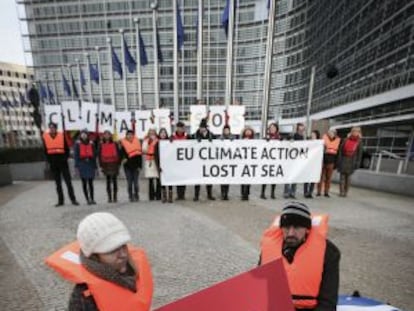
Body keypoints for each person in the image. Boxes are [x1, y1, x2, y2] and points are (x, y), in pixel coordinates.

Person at [45, 212, 153, 311]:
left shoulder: (133, 269)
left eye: (123, 245)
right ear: (94, 256)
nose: (123, 254)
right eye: (111, 250)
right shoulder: (84, 297)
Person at [259, 202, 340, 311]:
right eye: (286, 227)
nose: (291, 233)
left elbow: (328, 303)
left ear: (307, 229)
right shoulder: (269, 249)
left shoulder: (329, 252)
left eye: (297, 227)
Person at [42, 122, 79, 207]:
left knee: (68, 182)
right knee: (58, 184)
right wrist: (49, 161)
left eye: (53, 127)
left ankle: (73, 200)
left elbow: (67, 149)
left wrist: (65, 158)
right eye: (50, 127)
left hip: (63, 163)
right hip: (54, 164)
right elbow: (45, 151)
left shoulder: (61, 136)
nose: (52, 129)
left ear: (56, 128)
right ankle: (60, 201)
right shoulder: (46, 137)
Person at [192, 118, 216, 201]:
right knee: (197, 178)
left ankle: (209, 194)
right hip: (198, 160)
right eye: (200, 127)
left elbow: (218, 143)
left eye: (203, 127)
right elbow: (188, 141)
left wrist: (213, 141)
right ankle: (196, 195)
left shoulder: (211, 135)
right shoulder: (194, 135)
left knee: (208, 178)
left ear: (206, 128)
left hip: (208, 160)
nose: (201, 129)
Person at [336, 127, 363, 197]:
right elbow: (340, 150)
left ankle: (345, 192)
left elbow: (359, 154)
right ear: (351, 132)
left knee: (348, 178)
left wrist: (357, 163)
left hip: (352, 161)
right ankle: (341, 192)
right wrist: (339, 160)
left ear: (358, 133)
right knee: (342, 178)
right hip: (344, 160)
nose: (355, 133)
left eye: (356, 131)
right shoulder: (345, 140)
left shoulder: (359, 142)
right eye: (353, 131)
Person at [74, 129, 97, 205]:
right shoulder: (77, 144)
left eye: (85, 134)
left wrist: (95, 166)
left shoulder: (91, 143)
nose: (84, 135)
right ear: (80, 135)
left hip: (90, 164)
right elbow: (76, 156)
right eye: (82, 134)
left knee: (90, 182)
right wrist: (76, 167)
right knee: (84, 183)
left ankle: (92, 199)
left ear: (87, 135)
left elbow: (94, 155)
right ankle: (87, 199)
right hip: (82, 164)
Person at [284, 123, 305, 199]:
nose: (301, 131)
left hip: (297, 160)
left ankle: (292, 193)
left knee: (295, 176)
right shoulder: (293, 136)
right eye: (300, 129)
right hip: (290, 159)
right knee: (289, 176)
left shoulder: (303, 137)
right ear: (297, 129)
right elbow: (287, 141)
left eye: (302, 129)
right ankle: (286, 192)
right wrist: (290, 139)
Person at [317, 129, 341, 198]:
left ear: (335, 133)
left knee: (328, 178)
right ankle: (319, 192)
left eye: (333, 132)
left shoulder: (338, 140)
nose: (331, 133)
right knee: (321, 177)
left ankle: (326, 192)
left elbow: (338, 153)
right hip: (323, 161)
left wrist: (336, 163)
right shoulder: (323, 139)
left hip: (331, 161)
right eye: (330, 132)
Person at [120, 130, 142, 202]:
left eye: (131, 134)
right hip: (127, 166)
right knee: (129, 182)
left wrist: (140, 166)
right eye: (128, 134)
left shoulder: (137, 143)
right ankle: (130, 196)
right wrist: (123, 158)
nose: (130, 136)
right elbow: (121, 154)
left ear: (133, 135)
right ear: (126, 136)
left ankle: (136, 194)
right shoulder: (123, 144)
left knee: (136, 183)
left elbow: (139, 156)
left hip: (136, 166)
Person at [99, 130, 121, 203]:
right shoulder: (101, 144)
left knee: (114, 180)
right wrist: (101, 165)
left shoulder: (115, 144)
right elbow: (99, 155)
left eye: (108, 134)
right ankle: (109, 197)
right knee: (108, 181)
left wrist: (118, 163)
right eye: (105, 134)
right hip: (105, 163)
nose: (107, 136)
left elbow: (118, 153)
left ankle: (115, 197)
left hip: (114, 163)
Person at [261, 123, 281, 200]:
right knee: (265, 177)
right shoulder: (266, 136)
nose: (272, 129)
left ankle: (272, 193)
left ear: (276, 129)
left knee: (274, 177)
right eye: (271, 128)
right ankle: (262, 193)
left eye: (274, 128)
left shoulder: (278, 137)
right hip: (267, 159)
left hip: (275, 160)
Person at [142, 128, 161, 201]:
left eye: (153, 132)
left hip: (157, 160)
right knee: (150, 179)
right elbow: (144, 150)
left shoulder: (158, 140)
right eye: (150, 132)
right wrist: (149, 145)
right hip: (149, 160)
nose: (152, 134)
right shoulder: (146, 140)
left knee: (158, 178)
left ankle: (158, 195)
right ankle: (151, 195)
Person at [156, 128, 173, 203]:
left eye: (164, 133)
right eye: (161, 133)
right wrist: (158, 165)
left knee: (169, 180)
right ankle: (164, 196)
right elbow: (156, 156)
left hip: (169, 164)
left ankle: (170, 196)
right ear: (159, 134)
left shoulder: (169, 142)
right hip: (161, 164)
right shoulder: (157, 144)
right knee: (162, 180)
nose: (163, 134)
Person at [172, 121, 188, 200]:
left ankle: (183, 194)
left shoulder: (187, 136)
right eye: (179, 128)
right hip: (176, 160)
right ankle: (179, 195)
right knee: (178, 178)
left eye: (182, 128)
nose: (180, 129)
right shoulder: (173, 136)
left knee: (183, 178)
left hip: (184, 160)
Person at [304, 130, 321, 199]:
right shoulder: (308, 142)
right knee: (307, 178)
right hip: (308, 162)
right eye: (312, 134)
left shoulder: (319, 143)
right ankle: (305, 192)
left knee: (313, 178)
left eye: (314, 135)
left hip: (315, 163)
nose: (312, 136)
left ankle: (310, 192)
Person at [240, 126, 255, 201]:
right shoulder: (241, 140)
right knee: (243, 179)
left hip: (250, 161)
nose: (248, 132)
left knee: (249, 179)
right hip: (243, 161)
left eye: (250, 131)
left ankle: (247, 193)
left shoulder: (254, 140)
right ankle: (243, 193)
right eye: (247, 131)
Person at [220, 125, 234, 200]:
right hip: (222, 161)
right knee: (222, 179)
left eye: (227, 130)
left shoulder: (233, 138)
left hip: (229, 161)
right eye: (225, 130)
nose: (226, 131)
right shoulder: (220, 138)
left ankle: (226, 193)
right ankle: (222, 193)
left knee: (227, 179)